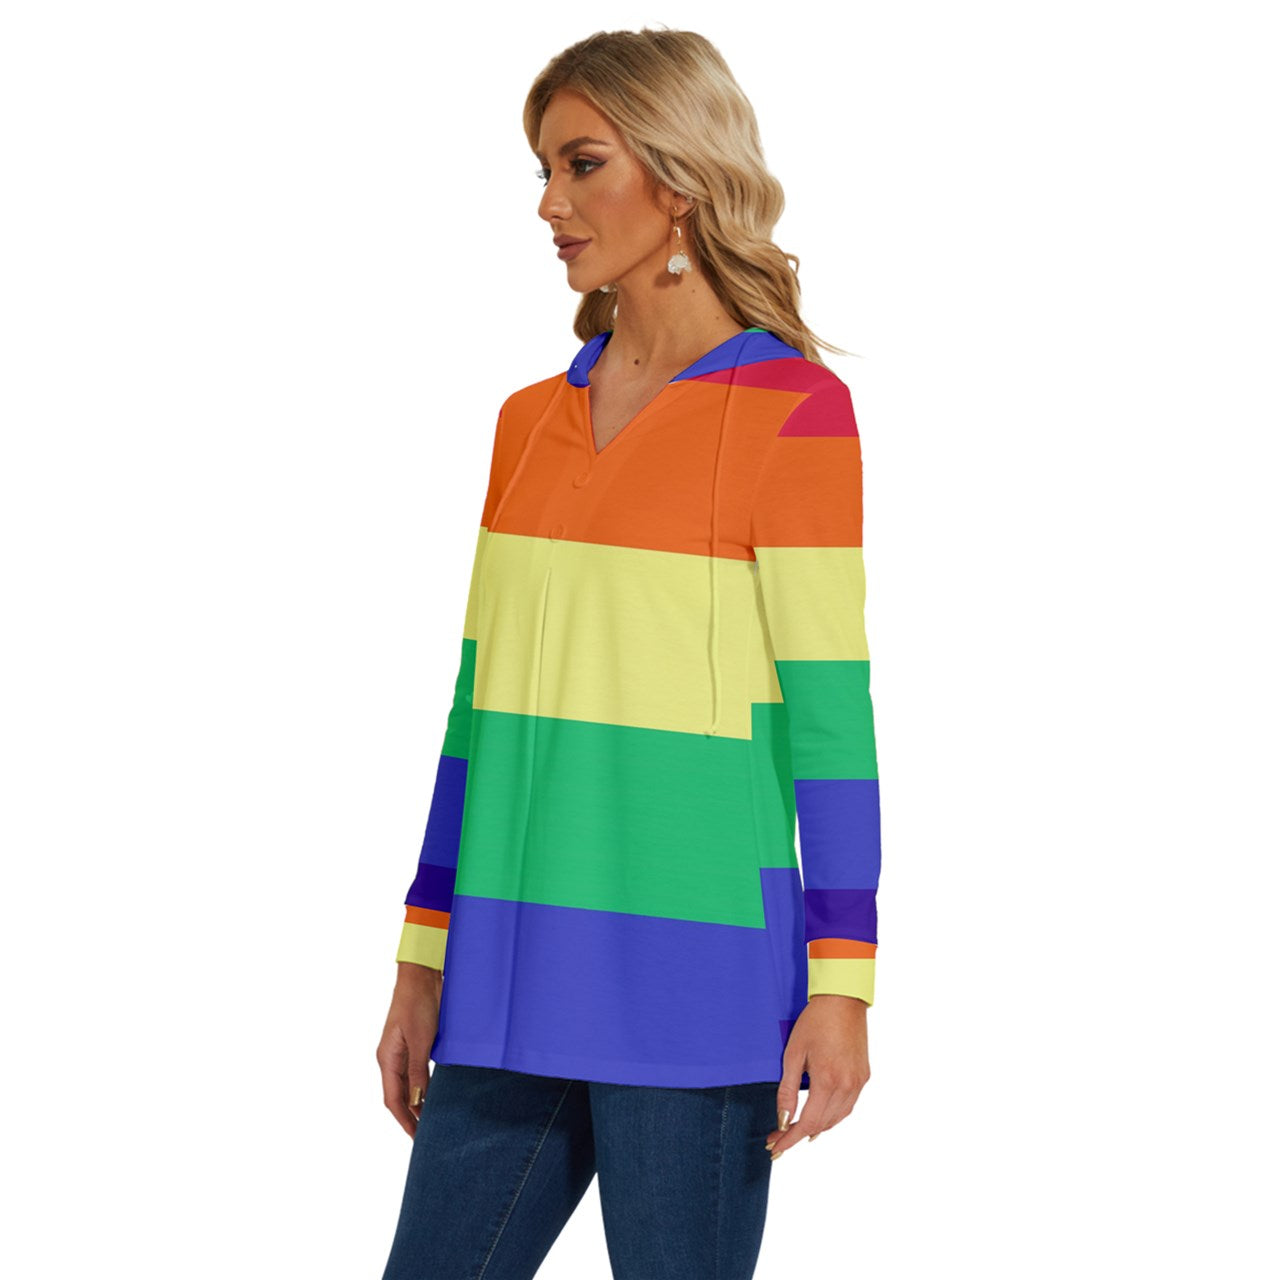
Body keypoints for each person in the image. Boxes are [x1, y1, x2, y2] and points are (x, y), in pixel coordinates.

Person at [376, 27, 881, 1280]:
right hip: (506, 972)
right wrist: (422, 954)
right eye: (544, 169)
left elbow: (831, 722)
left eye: (581, 164)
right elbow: (476, 713)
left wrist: (842, 981)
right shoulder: (527, 423)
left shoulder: (792, 414)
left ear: (681, 177)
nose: (549, 203)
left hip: (696, 984)